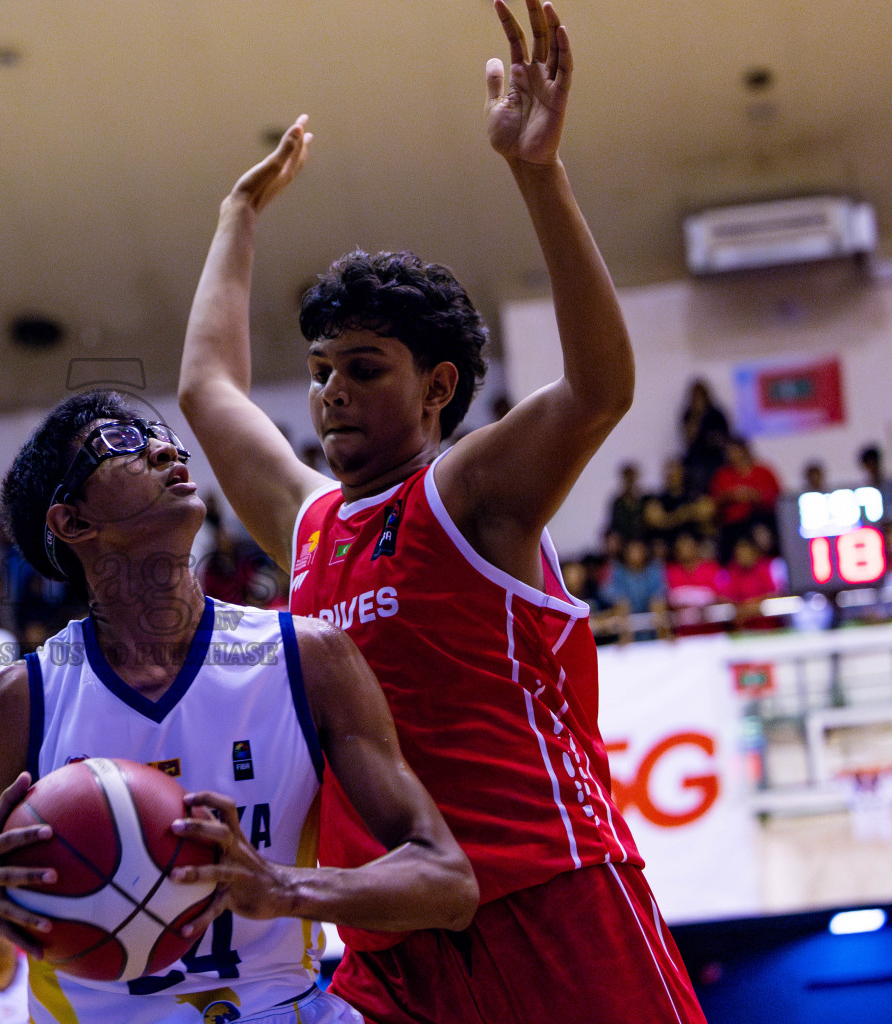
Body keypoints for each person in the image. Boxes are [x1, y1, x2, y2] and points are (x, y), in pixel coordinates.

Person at [174, 3, 705, 1020]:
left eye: (362, 369)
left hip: (548, 897)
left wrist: (538, 173)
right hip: (389, 944)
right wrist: (236, 219)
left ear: (437, 387)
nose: (329, 391)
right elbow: (208, 389)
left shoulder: (466, 493)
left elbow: (599, 386)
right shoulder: (310, 520)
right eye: (321, 370)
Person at [0, 392, 476, 1024]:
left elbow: (449, 884)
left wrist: (283, 888)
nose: (165, 449)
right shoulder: (22, 697)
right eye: (121, 445)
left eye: (161, 437)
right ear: (72, 523)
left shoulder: (308, 655)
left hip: (276, 1008)